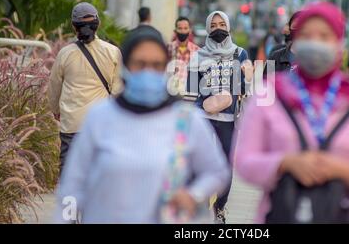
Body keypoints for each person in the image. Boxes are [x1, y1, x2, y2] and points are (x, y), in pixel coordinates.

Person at [234, 2, 349, 224]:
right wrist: (285, 163)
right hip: (279, 215)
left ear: (340, 43)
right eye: (306, 36)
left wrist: (343, 170)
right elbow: (244, 161)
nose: (314, 43)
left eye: (324, 36)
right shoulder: (268, 95)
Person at [56, 29, 230, 224]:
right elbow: (72, 186)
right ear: (125, 67)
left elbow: (217, 172)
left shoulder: (187, 121)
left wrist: (194, 195)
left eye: (156, 65)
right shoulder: (100, 118)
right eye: (140, 64)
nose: (148, 72)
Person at [187, 11, 254, 223]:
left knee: (226, 165)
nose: (218, 28)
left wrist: (242, 80)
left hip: (229, 118)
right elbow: (191, 88)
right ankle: (199, 202)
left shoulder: (240, 54)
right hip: (203, 116)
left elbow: (245, 88)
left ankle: (220, 206)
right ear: (208, 28)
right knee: (198, 161)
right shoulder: (198, 55)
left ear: (229, 26)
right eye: (213, 25)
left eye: (222, 24)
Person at [47, 2, 122, 172]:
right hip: (100, 123)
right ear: (98, 24)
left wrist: (55, 109)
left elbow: (54, 86)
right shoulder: (112, 52)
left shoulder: (65, 53)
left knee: (68, 172)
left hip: (71, 123)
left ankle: (69, 198)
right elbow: (118, 92)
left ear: (74, 26)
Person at [168, 17, 200, 96]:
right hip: (170, 93)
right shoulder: (168, 48)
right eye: (180, 28)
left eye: (185, 28)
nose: (183, 31)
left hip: (189, 94)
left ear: (190, 31)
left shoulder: (197, 51)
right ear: (175, 31)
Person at [264, 12, 301, 77]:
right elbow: (266, 84)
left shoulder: (317, 60)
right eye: (295, 26)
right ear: (289, 28)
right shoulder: (275, 56)